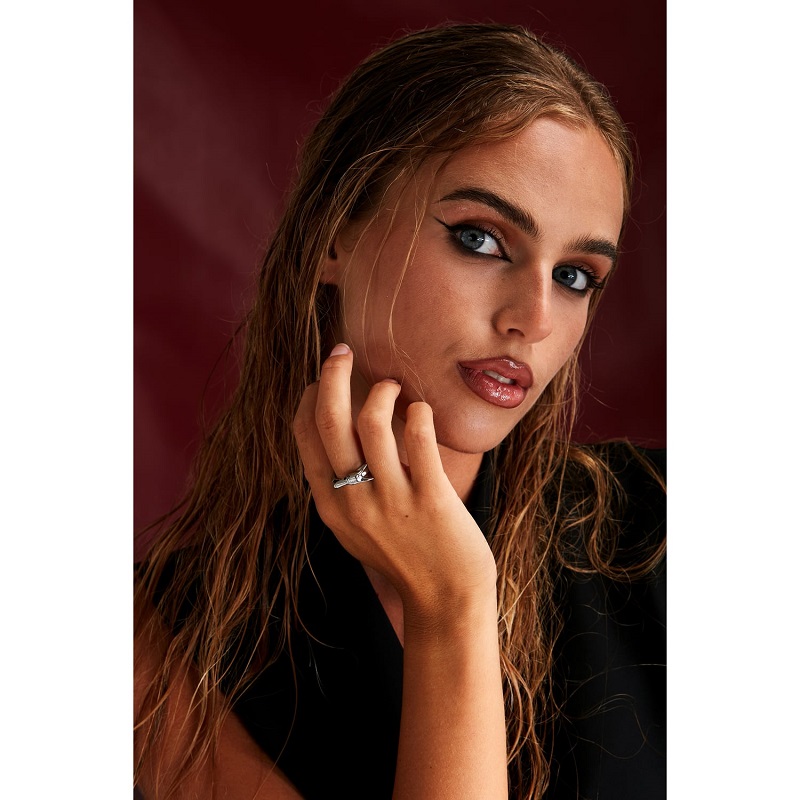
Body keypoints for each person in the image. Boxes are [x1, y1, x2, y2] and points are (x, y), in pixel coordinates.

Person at [134, 22, 665, 800]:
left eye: (576, 276)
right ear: (334, 235)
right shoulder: (159, 647)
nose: (534, 318)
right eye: (480, 239)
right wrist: (451, 607)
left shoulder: (663, 527)